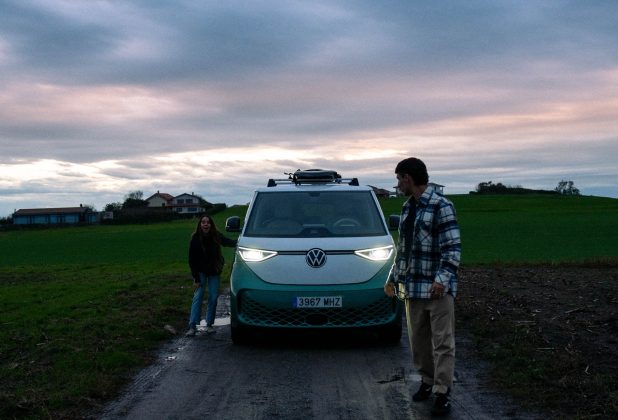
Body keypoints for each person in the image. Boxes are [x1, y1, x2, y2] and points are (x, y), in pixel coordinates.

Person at [384, 157, 461, 416]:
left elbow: (452, 248)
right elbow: (403, 249)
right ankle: (427, 382)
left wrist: (442, 280)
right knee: (418, 341)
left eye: (398, 179)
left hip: (437, 289)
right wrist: (392, 278)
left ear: (408, 178)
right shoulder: (408, 208)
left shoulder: (442, 205)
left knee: (442, 342)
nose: (397, 185)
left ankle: (442, 391)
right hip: (413, 288)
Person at [186, 215, 237, 337]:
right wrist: (196, 278)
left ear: (211, 225)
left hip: (214, 271)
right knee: (198, 296)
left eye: (208, 222)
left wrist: (241, 242)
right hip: (200, 272)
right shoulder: (195, 238)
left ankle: (209, 325)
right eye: (203, 222)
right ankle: (192, 326)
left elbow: (228, 242)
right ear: (200, 225)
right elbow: (192, 260)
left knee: (213, 297)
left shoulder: (216, 236)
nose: (205, 224)